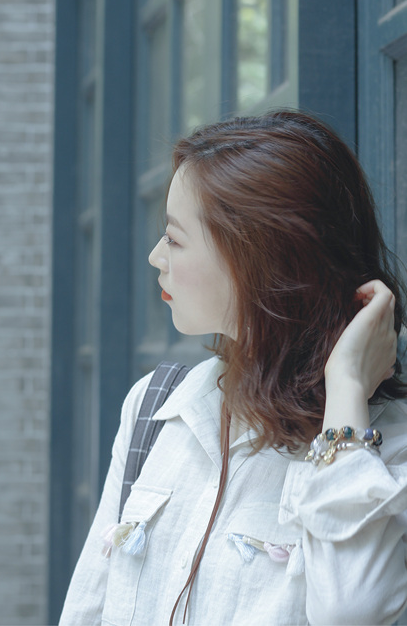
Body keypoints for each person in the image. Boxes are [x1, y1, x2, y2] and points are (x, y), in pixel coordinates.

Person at [59, 111, 407, 625]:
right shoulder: (155, 408)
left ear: (257, 259)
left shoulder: (387, 449)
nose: (156, 257)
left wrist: (347, 388)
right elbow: (86, 610)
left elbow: (350, 611)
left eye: (175, 239)